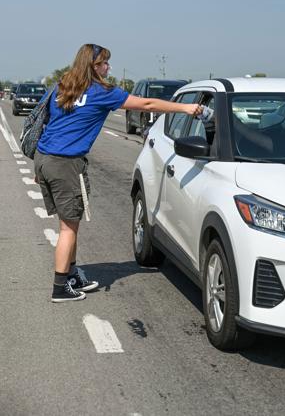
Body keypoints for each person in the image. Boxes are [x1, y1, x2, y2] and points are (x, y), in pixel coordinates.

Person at [34, 43, 203, 303]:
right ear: (93, 66)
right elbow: (145, 104)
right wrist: (185, 108)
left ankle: (70, 275)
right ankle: (59, 286)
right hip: (65, 163)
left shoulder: (63, 86)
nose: (108, 67)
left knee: (70, 223)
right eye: (104, 63)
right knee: (68, 228)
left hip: (45, 159)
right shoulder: (102, 92)